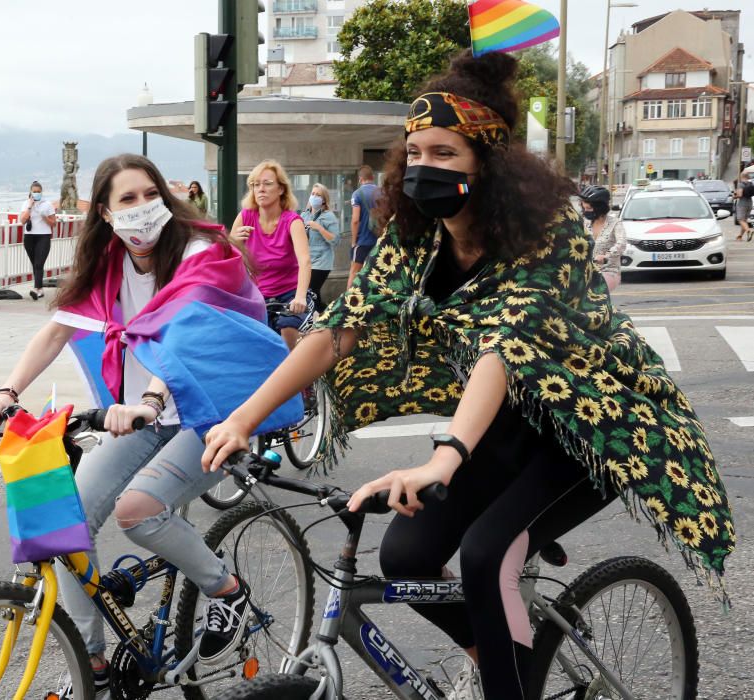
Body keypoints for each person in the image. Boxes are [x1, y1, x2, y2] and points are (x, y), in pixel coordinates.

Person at [203, 51, 733, 700]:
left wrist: (443, 458)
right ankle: (500, 657)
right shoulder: (414, 239)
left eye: (444, 153)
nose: (424, 165)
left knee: (486, 558)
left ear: (487, 160)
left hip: (592, 425)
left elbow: (502, 349)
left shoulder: (546, 231)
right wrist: (240, 419)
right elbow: (337, 332)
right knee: (404, 557)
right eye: (415, 151)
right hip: (501, 421)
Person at [0, 154, 301, 697]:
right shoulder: (106, 264)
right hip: (147, 418)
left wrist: (150, 398)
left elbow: (180, 334)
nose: (142, 208)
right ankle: (92, 662)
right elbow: (56, 331)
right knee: (65, 519)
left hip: (211, 414)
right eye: (126, 200)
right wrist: (8, 392)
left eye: (149, 194)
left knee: (138, 511)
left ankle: (226, 592)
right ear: (105, 213)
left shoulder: (201, 252)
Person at [230, 159, 312, 349]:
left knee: (287, 327)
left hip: (290, 294)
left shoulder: (292, 221)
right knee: (249, 338)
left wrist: (300, 297)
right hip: (257, 295)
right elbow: (227, 258)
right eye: (256, 185)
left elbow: (305, 261)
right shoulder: (245, 217)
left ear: (281, 189)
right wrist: (232, 240)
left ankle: (292, 370)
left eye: (267, 184)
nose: (261, 189)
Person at [578, 185, 626, 291]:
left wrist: (606, 256)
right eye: (584, 208)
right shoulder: (583, 223)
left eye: (589, 208)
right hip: (586, 271)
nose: (586, 212)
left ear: (600, 207)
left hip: (608, 271)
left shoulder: (615, 223)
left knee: (597, 292)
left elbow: (621, 243)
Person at [301, 183, 340, 312]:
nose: (314, 197)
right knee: (313, 294)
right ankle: (327, 315)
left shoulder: (328, 216)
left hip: (322, 262)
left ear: (324, 200)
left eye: (318, 195)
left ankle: (322, 316)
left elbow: (335, 240)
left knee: (310, 291)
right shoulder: (304, 216)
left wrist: (319, 228)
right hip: (307, 261)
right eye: (313, 194)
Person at [19, 180, 57, 300]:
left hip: (43, 236)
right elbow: (22, 220)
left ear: (42, 192)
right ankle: (40, 289)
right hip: (29, 237)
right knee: (35, 264)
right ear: (31, 192)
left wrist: (44, 216)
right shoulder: (26, 203)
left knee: (39, 263)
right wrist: (30, 207)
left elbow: (53, 223)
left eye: (38, 192)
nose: (36, 194)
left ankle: (37, 289)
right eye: (34, 192)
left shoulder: (47, 204)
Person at [348, 165, 381, 287]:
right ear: (372, 177)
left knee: (354, 272)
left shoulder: (357, 194)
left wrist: (353, 241)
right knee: (376, 274)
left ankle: (348, 302)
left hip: (362, 241)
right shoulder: (382, 192)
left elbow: (355, 220)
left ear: (360, 179)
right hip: (379, 240)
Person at [735, 171, 753, 241]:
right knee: (744, 221)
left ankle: (749, 230)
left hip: (742, 204)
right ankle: (740, 236)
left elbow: (739, 195)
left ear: (741, 176)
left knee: (740, 220)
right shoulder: (750, 183)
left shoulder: (740, 184)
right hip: (749, 203)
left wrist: (734, 196)